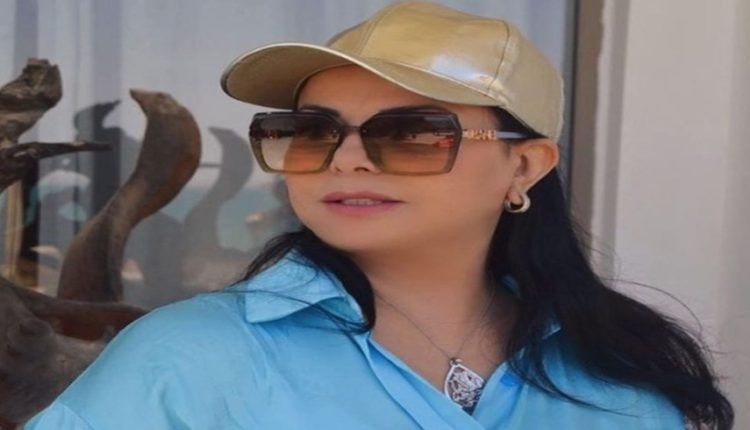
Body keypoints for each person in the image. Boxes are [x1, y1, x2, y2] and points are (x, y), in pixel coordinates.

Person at [25, 1, 733, 429]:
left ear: (525, 166)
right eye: (312, 131)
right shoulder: (189, 359)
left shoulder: (617, 374)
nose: (348, 160)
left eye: (413, 132)